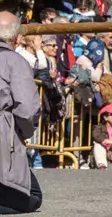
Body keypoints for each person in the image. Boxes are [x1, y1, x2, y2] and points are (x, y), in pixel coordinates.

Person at [0, 12, 43, 213]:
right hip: (3, 137)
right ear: (16, 38)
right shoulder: (14, 61)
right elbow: (27, 109)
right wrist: (23, 133)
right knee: (33, 197)